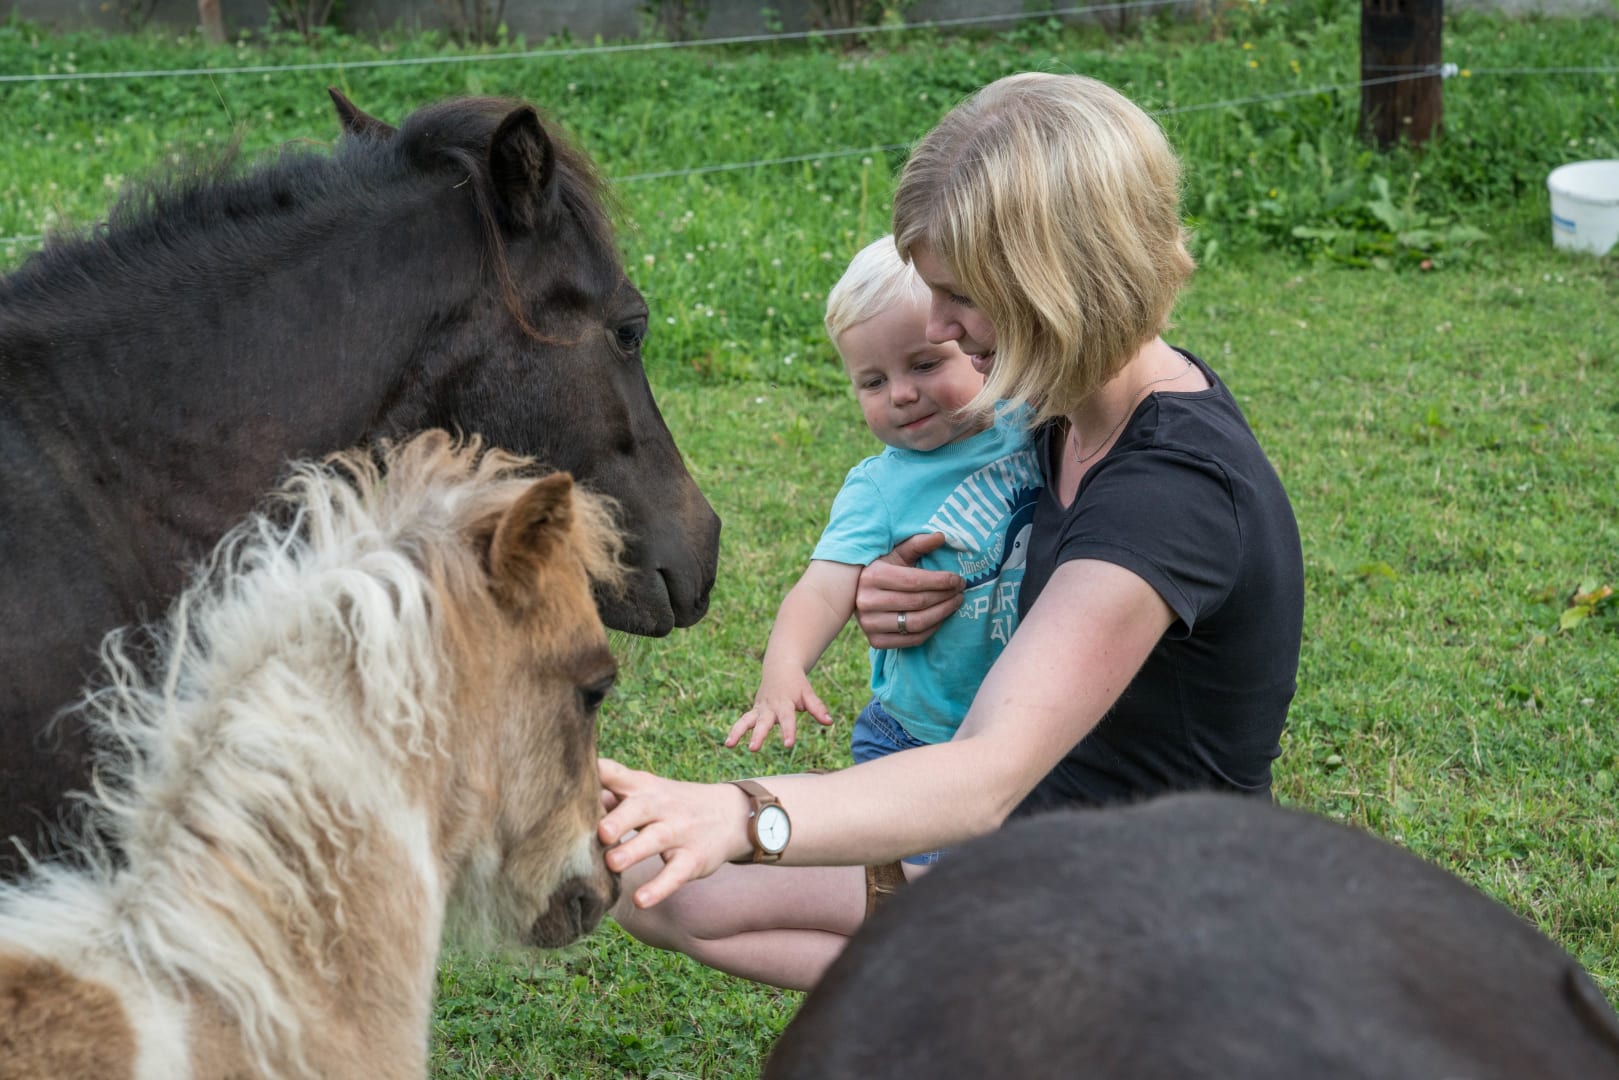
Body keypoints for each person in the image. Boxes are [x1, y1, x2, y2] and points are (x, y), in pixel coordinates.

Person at [599, 71, 1306, 992]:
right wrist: (890, 593)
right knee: (651, 889)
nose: (937, 325)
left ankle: (1062, 1009)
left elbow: (984, 773)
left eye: (959, 294)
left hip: (1138, 895)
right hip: (1030, 849)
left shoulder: (1171, 489)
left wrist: (743, 815)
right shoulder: (1059, 411)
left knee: (688, 878)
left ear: (1056, 278)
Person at [727, 236, 1041, 874]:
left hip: (1024, 734)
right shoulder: (879, 488)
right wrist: (783, 667)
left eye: (924, 365)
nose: (899, 394)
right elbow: (822, 589)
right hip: (916, 742)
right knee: (926, 899)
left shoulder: (1031, 423)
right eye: (872, 381)